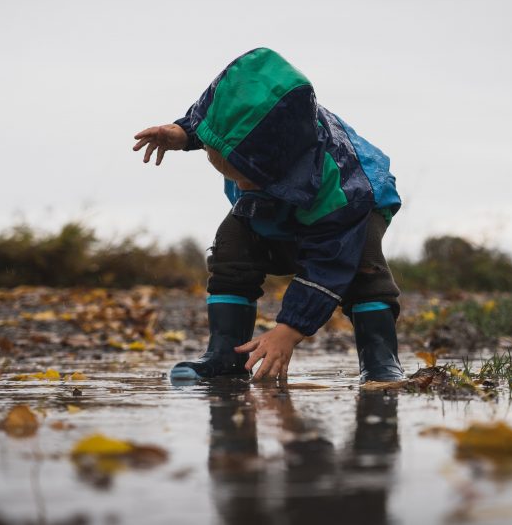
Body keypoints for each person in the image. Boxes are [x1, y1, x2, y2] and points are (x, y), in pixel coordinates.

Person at [132, 48, 403, 383]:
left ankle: (380, 361)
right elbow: (218, 121)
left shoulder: (341, 191)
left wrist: (288, 331)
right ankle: (225, 355)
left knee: (363, 269)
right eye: (232, 173)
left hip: (356, 206)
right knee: (231, 246)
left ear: (279, 160)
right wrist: (184, 133)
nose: (242, 187)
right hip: (278, 199)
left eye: (250, 176)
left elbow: (328, 262)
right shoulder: (239, 135)